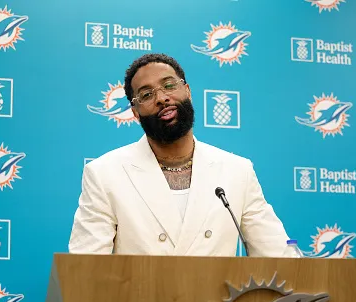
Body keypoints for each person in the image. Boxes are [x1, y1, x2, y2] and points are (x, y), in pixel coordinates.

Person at [68, 53, 292, 257]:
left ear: (188, 91)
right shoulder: (104, 173)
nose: (162, 98)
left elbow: (277, 255)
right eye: (146, 94)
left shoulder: (237, 170)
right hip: (139, 301)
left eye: (169, 85)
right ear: (135, 112)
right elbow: (86, 267)